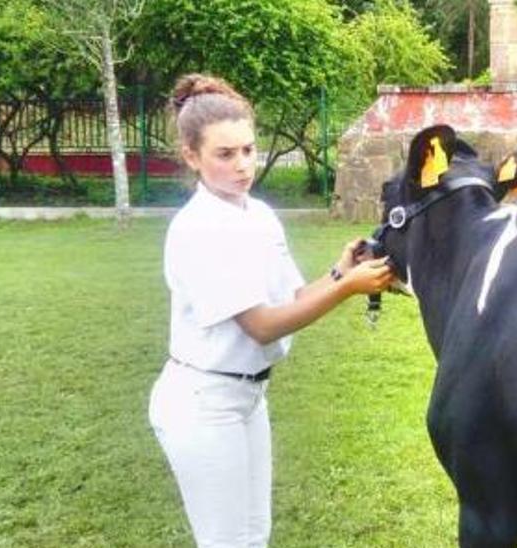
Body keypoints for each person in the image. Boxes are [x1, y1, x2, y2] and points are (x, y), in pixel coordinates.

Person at [148, 73, 393, 548]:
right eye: (225, 154)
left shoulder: (255, 213)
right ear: (191, 156)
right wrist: (347, 289)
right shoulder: (197, 228)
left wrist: (341, 271)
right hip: (203, 402)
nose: (243, 165)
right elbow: (261, 326)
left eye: (248, 149)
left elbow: (293, 300)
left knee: (253, 537)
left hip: (248, 398)